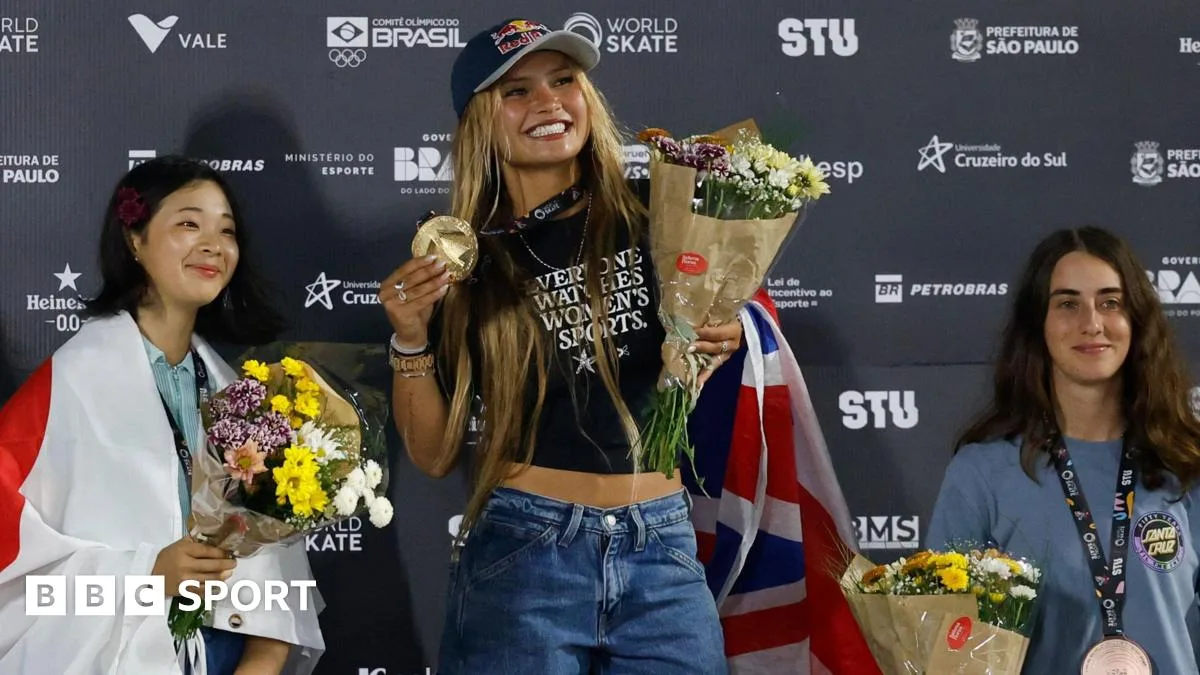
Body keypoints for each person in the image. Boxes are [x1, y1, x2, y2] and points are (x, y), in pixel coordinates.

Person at [380, 18, 740, 674]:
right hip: (526, 549)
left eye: (564, 80)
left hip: (661, 546)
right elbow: (433, 453)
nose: (548, 101)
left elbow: (712, 343)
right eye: (516, 91)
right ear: (479, 122)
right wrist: (410, 337)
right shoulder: (459, 258)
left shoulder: (663, 211)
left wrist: (726, 333)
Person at [0, 156, 325, 674]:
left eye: (227, 230)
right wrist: (147, 575)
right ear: (134, 238)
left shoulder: (239, 399)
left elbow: (274, 580)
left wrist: (261, 660)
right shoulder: (69, 387)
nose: (213, 245)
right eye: (188, 223)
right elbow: (15, 576)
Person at [926, 226, 1200, 674]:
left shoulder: (1187, 464)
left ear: (1137, 319)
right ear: (1039, 324)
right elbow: (945, 643)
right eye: (1068, 304)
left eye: (1111, 302)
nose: (1092, 323)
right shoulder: (982, 472)